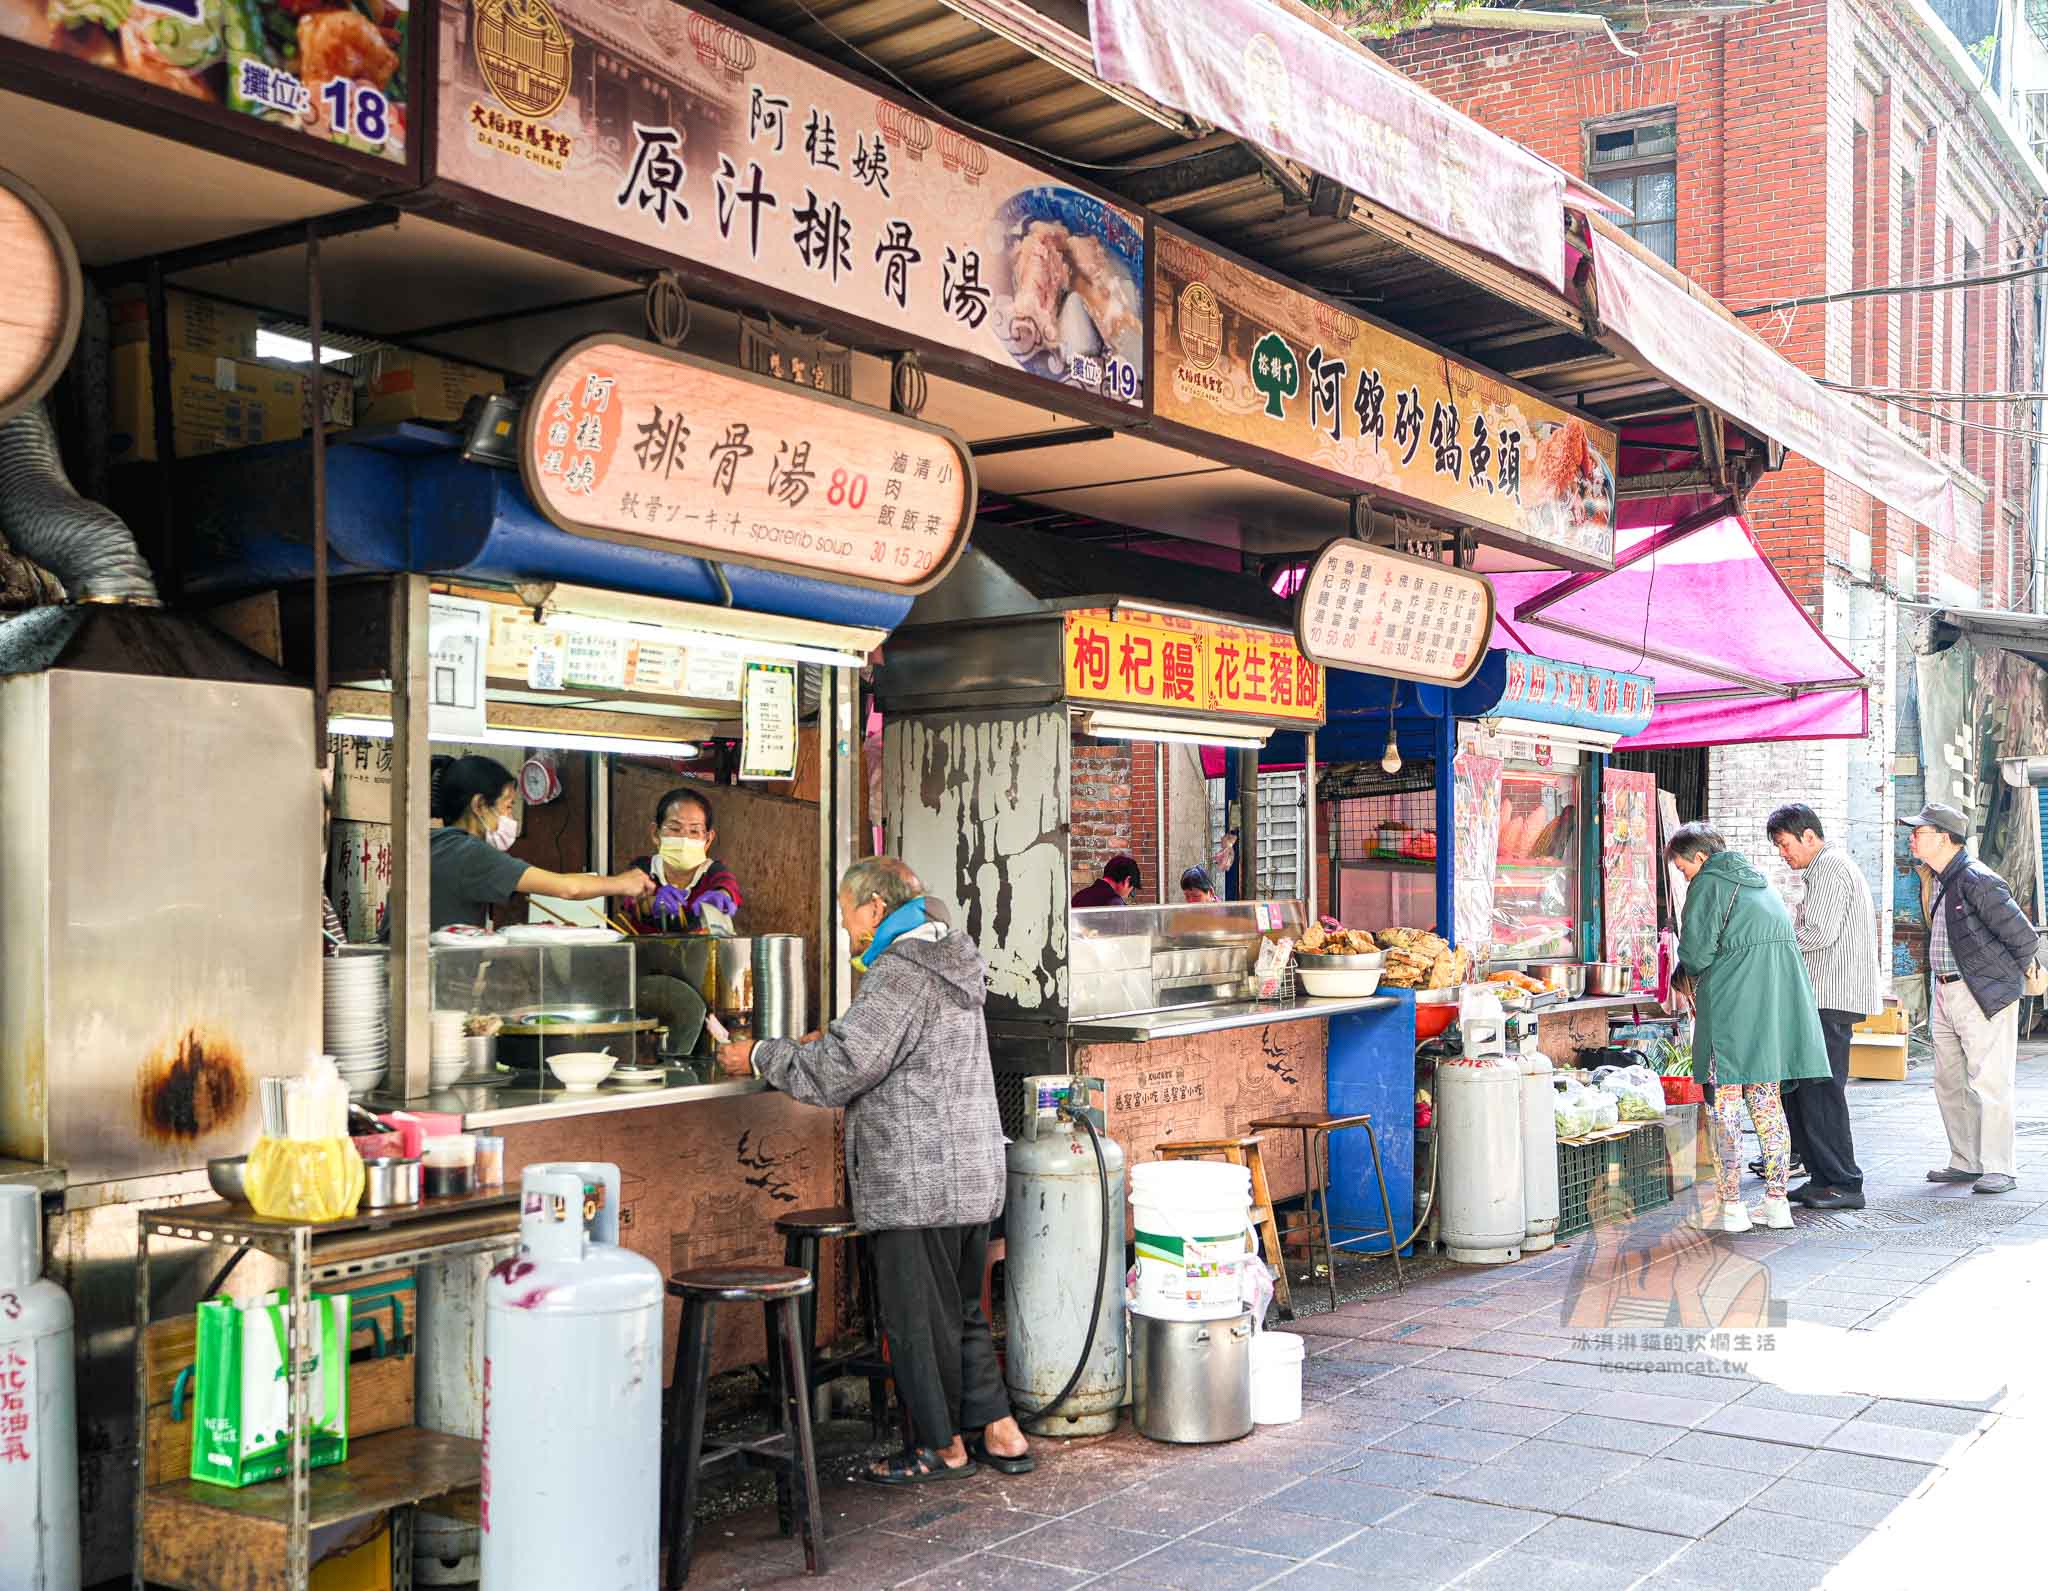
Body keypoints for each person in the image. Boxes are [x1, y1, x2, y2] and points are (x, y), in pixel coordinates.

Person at [714, 856, 1029, 1485]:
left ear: (875, 910)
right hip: (970, 1170)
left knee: (915, 1320)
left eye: (845, 912)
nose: (844, 926)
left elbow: (842, 1071)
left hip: (918, 1176)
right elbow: (888, 1047)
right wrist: (826, 1038)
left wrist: (757, 1053)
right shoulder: (951, 959)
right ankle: (1000, 1429)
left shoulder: (900, 972)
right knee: (962, 1309)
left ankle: (941, 1447)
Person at [1666, 822, 1831, 1234]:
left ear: (1700, 858)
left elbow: (1697, 953)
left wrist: (1680, 971)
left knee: (1724, 1109)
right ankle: (1777, 1204)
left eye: (1684, 869)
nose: (1686, 877)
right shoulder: (1760, 883)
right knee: (1768, 1107)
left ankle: (1732, 1207)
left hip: (1730, 1010)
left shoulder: (1708, 884)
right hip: (1773, 1010)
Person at [1904, 802, 2039, 1195]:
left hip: (1980, 992)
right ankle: (1965, 1160)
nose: (1912, 837)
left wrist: (1996, 982)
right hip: (1946, 991)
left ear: (1944, 838)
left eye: (1920, 831)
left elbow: (2024, 938)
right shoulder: (1940, 878)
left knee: (1990, 1080)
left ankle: (1999, 1166)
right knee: (1950, 1081)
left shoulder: (1978, 879)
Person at [1766, 803, 1878, 1211]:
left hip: (1830, 998)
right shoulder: (1825, 870)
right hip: (1826, 996)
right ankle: (1821, 1177)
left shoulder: (1830, 867)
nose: (1783, 853)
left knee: (1822, 1090)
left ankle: (1844, 1182)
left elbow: (1818, 932)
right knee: (1807, 1090)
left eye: (1785, 844)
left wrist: (1771, 945)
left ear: (1809, 836)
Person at [428, 755, 654, 930]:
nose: (511, 818)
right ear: (479, 805)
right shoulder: (470, 853)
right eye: (507, 806)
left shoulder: (435, 843)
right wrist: (623, 883)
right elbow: (569, 889)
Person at [620, 786, 744, 934]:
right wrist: (652, 904)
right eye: (674, 829)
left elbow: (728, 887)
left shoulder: (714, 871)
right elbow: (631, 901)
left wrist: (721, 897)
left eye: (694, 831)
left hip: (703, 955)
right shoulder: (643, 868)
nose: (684, 839)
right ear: (655, 833)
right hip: (647, 954)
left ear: (708, 839)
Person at [1072, 854, 1140, 908]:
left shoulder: (1079, 896)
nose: (1130, 894)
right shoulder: (1115, 902)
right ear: (1127, 880)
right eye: (1132, 889)